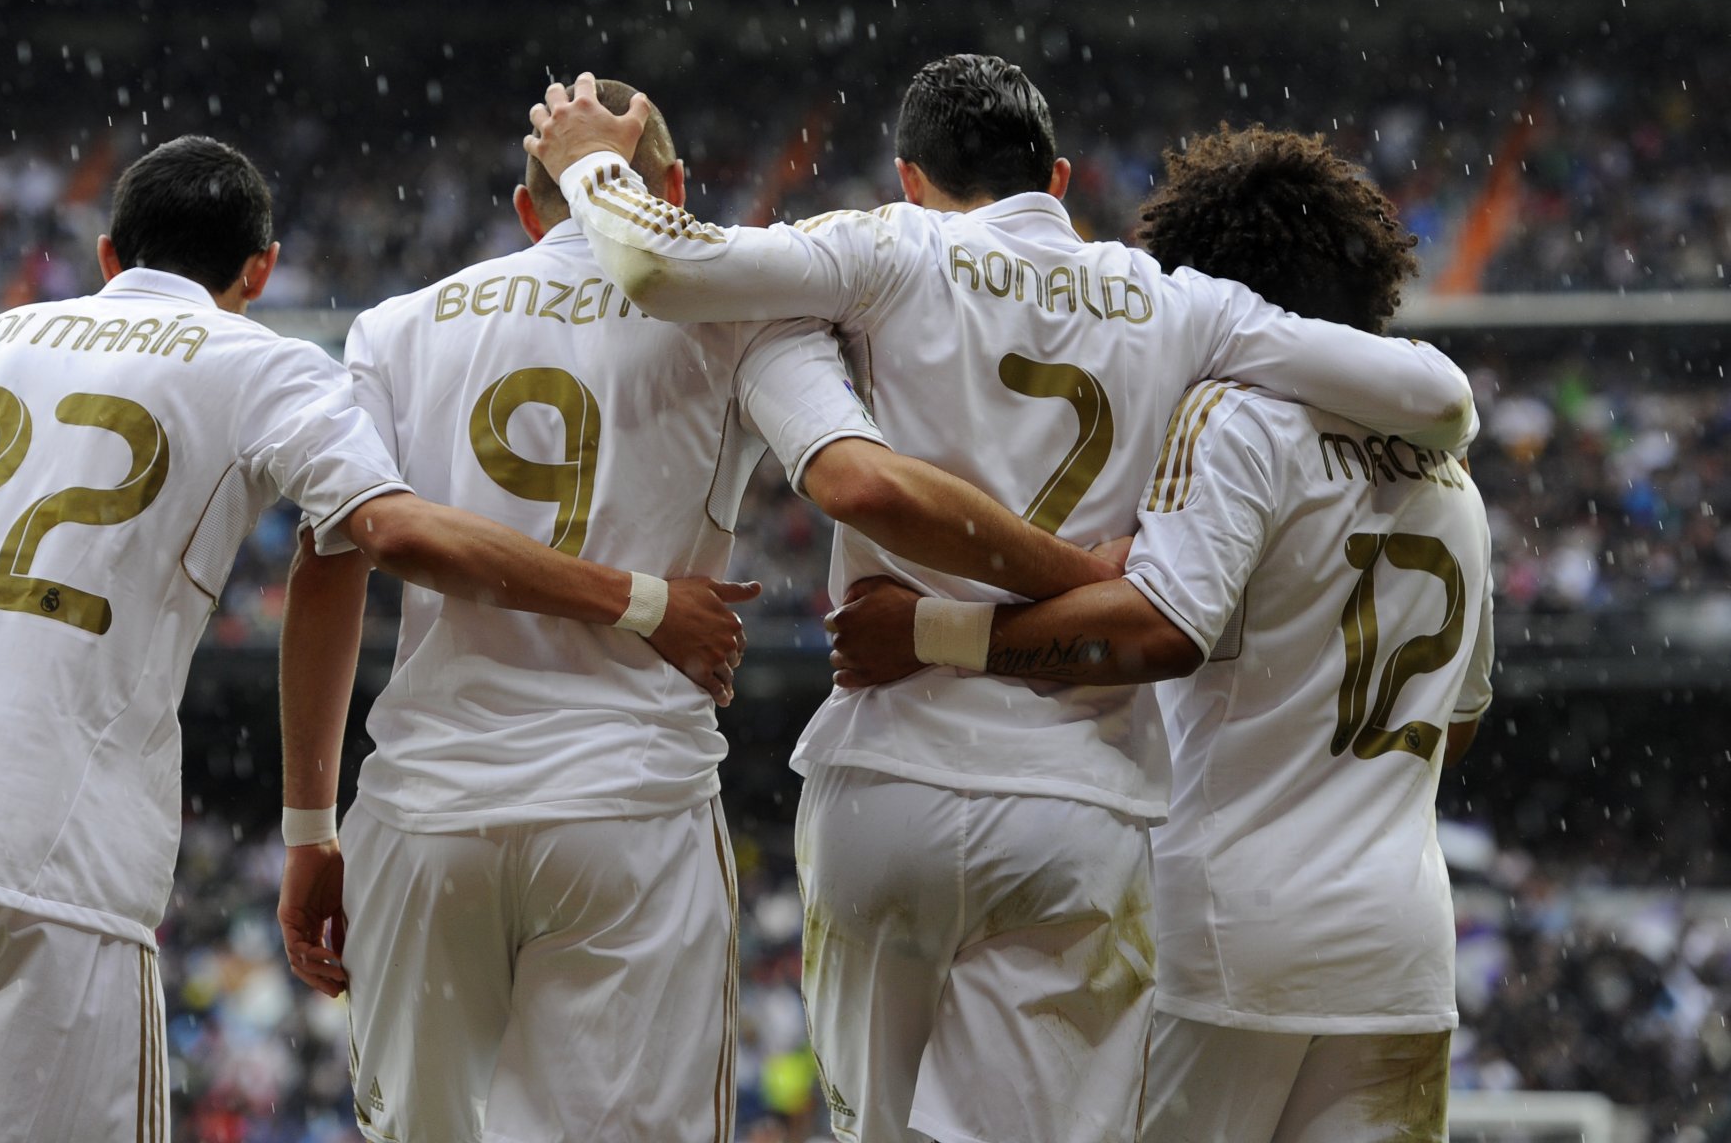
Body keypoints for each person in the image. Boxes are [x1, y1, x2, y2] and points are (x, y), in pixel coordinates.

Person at [525, 60, 1479, 1143]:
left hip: (889, 776)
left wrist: (593, 166)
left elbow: (658, 264)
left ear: (910, 176)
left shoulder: (886, 244)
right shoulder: (1179, 303)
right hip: (1078, 802)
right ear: (1057, 178)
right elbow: (1439, 396)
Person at [0, 134, 745, 1142]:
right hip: (51, 865)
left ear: (109, 255)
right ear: (262, 268)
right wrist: (644, 601)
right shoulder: (263, 365)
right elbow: (386, 533)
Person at [274, 78, 1123, 1143]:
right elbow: (852, 476)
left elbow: (328, 563)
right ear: (672, 192)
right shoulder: (735, 316)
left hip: (425, 811)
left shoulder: (393, 331)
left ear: (527, 208)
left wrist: (309, 830)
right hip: (629, 804)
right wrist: (1073, 574)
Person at [829, 125, 1494, 1143]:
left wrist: (930, 632)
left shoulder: (1235, 418)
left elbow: (1158, 630)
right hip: (1399, 949)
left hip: (1222, 937)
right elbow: (1458, 722)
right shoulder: (1454, 481)